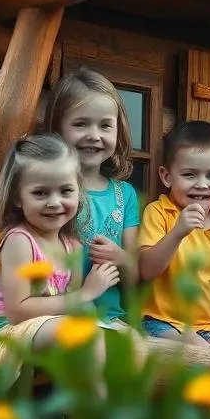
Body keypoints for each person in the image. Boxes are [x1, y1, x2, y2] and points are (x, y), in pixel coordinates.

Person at [0, 134, 119, 373]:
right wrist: (86, 293)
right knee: (86, 337)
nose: (54, 202)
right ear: (18, 198)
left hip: (48, 326)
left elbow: (71, 305)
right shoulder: (19, 241)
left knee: (123, 341)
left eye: (65, 191)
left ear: (79, 192)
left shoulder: (71, 245)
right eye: (40, 193)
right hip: (8, 332)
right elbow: (17, 311)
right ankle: (91, 408)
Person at [137, 121, 210, 357]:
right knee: (202, 354)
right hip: (158, 321)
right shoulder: (159, 212)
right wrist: (178, 231)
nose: (201, 184)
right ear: (167, 177)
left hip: (205, 327)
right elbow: (146, 270)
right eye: (189, 175)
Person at [45, 68, 139, 328]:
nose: (94, 135)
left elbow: (134, 274)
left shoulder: (125, 195)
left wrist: (121, 259)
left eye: (105, 125)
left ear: (118, 131)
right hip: (59, 316)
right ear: (57, 128)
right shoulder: (48, 192)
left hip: (111, 318)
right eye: (80, 124)